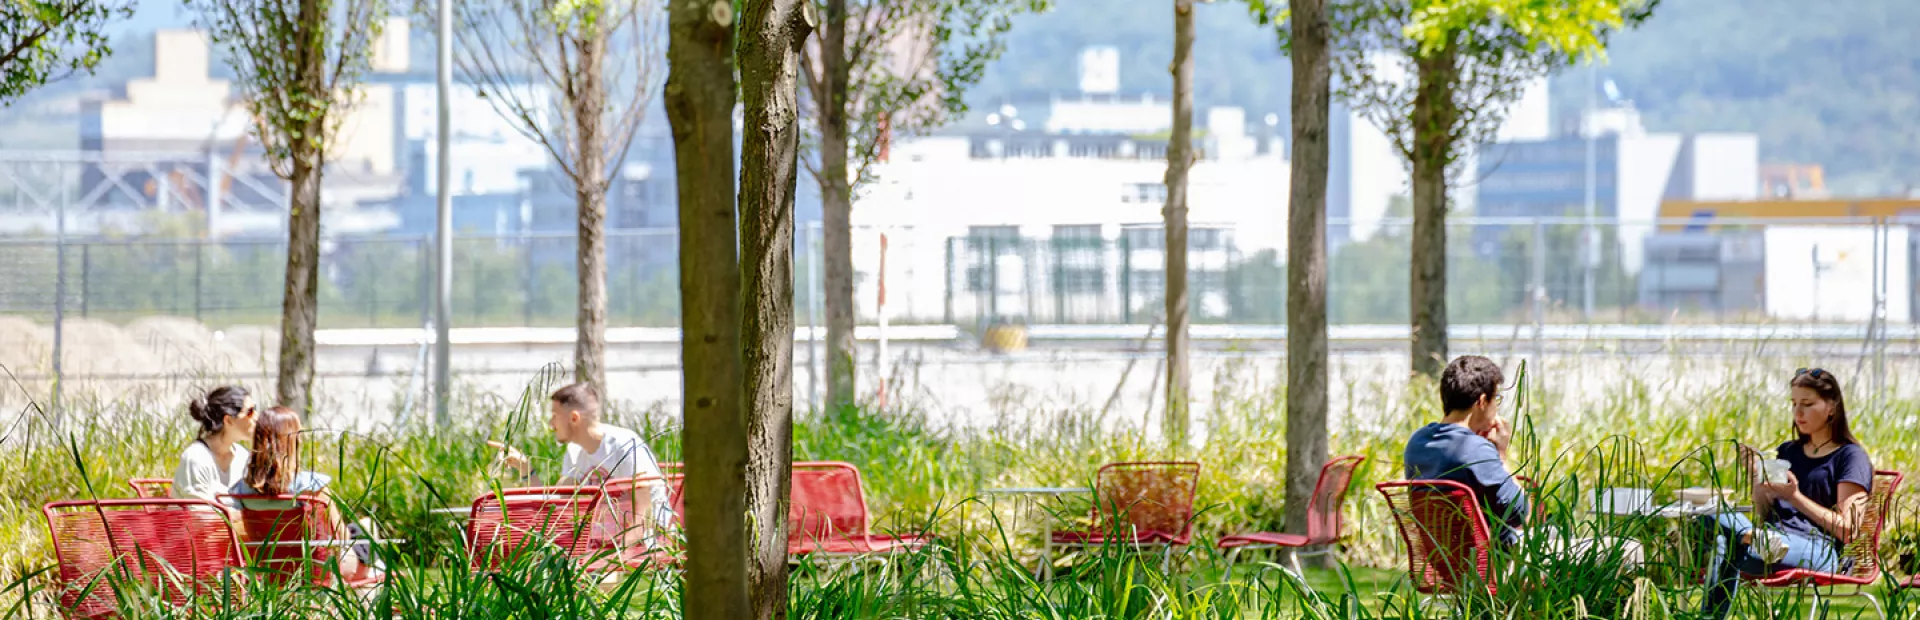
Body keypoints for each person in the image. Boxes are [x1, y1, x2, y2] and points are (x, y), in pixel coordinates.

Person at [1402, 356, 1642, 565]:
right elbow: (1524, 516)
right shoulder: (1475, 449)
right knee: (1630, 549)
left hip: (1449, 565)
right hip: (1499, 564)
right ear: (1482, 401)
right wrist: (1501, 454)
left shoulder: (1417, 443)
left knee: (1559, 536)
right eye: (1497, 399)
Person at [1697, 367, 1873, 619]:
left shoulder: (1850, 457)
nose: (1797, 413)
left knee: (1725, 540)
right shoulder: (1788, 451)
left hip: (1818, 550)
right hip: (1771, 539)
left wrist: (1794, 497)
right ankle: (1753, 538)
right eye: (1793, 404)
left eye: (1807, 404)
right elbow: (1764, 513)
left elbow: (1849, 530)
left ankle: (1711, 615)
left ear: (1832, 406)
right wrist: (1757, 480)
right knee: (1710, 512)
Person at [496, 383, 671, 539]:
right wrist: (526, 470)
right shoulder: (575, 451)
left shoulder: (625, 446)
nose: (551, 424)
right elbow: (554, 506)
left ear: (574, 418)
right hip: (601, 542)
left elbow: (645, 517)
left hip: (648, 541)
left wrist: (614, 558)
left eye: (555, 416)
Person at [230, 406, 383, 579]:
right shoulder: (312, 486)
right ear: (293, 442)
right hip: (320, 571)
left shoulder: (241, 490)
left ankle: (375, 575)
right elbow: (341, 535)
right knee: (366, 527)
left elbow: (244, 535)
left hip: (271, 572)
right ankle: (378, 581)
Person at [172, 386, 257, 503]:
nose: (256, 417)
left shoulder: (244, 457)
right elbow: (200, 515)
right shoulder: (196, 458)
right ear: (228, 420)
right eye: (250, 412)